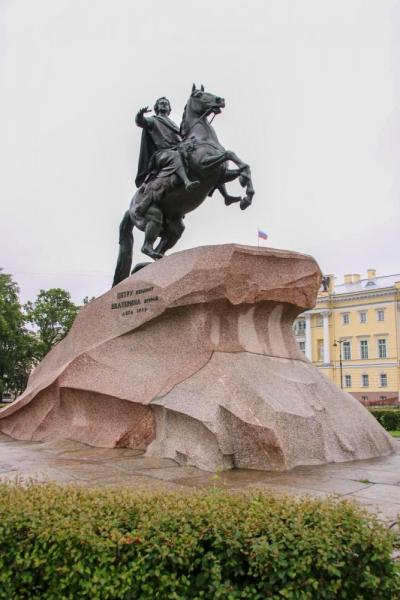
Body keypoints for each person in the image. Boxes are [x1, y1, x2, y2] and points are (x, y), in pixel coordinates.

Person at [135, 96, 199, 192]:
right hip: (162, 154)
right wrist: (140, 115)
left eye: (166, 103)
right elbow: (141, 122)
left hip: (178, 149)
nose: (164, 104)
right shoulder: (154, 120)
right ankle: (187, 182)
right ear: (157, 108)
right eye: (161, 103)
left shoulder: (174, 124)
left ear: (169, 109)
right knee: (175, 155)